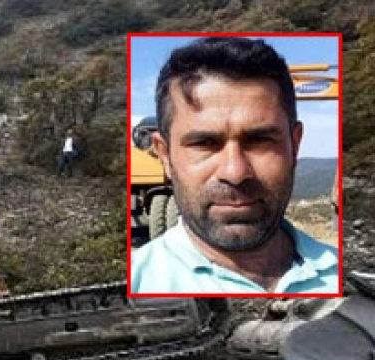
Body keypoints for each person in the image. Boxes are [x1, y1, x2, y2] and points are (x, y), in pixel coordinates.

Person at [130, 37, 339, 295]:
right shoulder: (136, 283)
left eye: (260, 140)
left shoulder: (352, 278)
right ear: (164, 155)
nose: (235, 172)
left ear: (295, 146)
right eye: (204, 143)